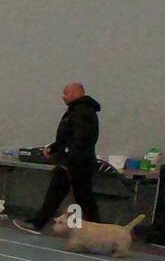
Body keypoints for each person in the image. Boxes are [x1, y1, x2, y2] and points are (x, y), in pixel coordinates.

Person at [14, 82, 102, 233]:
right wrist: (54, 148)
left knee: (81, 198)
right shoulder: (76, 111)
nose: (63, 97)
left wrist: (69, 160)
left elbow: (81, 139)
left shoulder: (82, 112)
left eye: (65, 93)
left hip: (76, 163)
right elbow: (67, 137)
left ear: (74, 93)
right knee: (71, 196)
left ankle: (99, 229)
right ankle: (38, 223)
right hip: (73, 161)